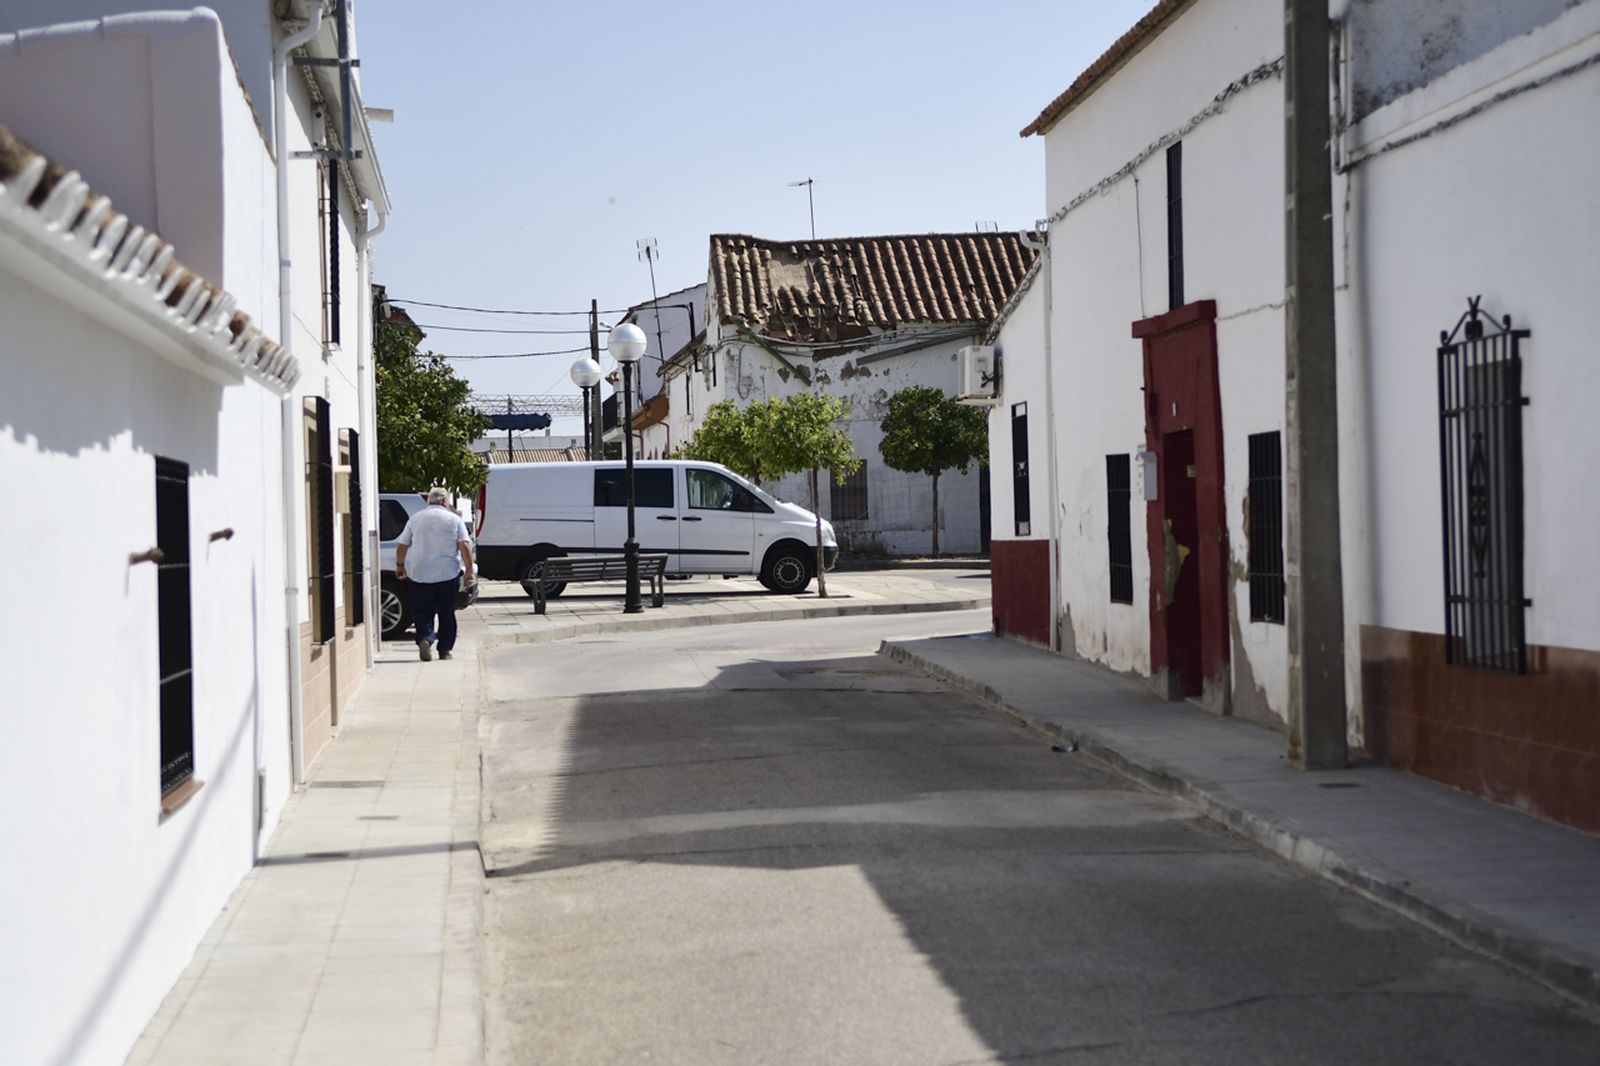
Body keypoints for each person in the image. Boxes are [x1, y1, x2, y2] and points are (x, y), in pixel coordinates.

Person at [395, 487, 475, 661]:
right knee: (447, 612)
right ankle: (445, 650)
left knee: (423, 611)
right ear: (445, 502)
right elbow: (464, 546)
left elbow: (402, 545)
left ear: (429, 501)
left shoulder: (416, 519)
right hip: (447, 573)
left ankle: (425, 639)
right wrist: (469, 571)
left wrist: (400, 565)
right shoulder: (454, 519)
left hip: (419, 573)